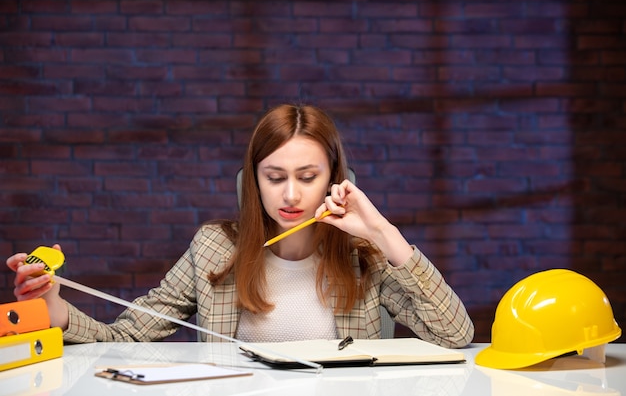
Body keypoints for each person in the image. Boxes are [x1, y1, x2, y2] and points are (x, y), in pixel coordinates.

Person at [7, 103, 474, 348]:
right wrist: (54, 307)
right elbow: (127, 335)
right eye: (275, 178)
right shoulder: (214, 248)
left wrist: (384, 234)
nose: (290, 195)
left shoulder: (364, 254)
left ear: (335, 180)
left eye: (308, 178)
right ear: (253, 181)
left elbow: (456, 335)